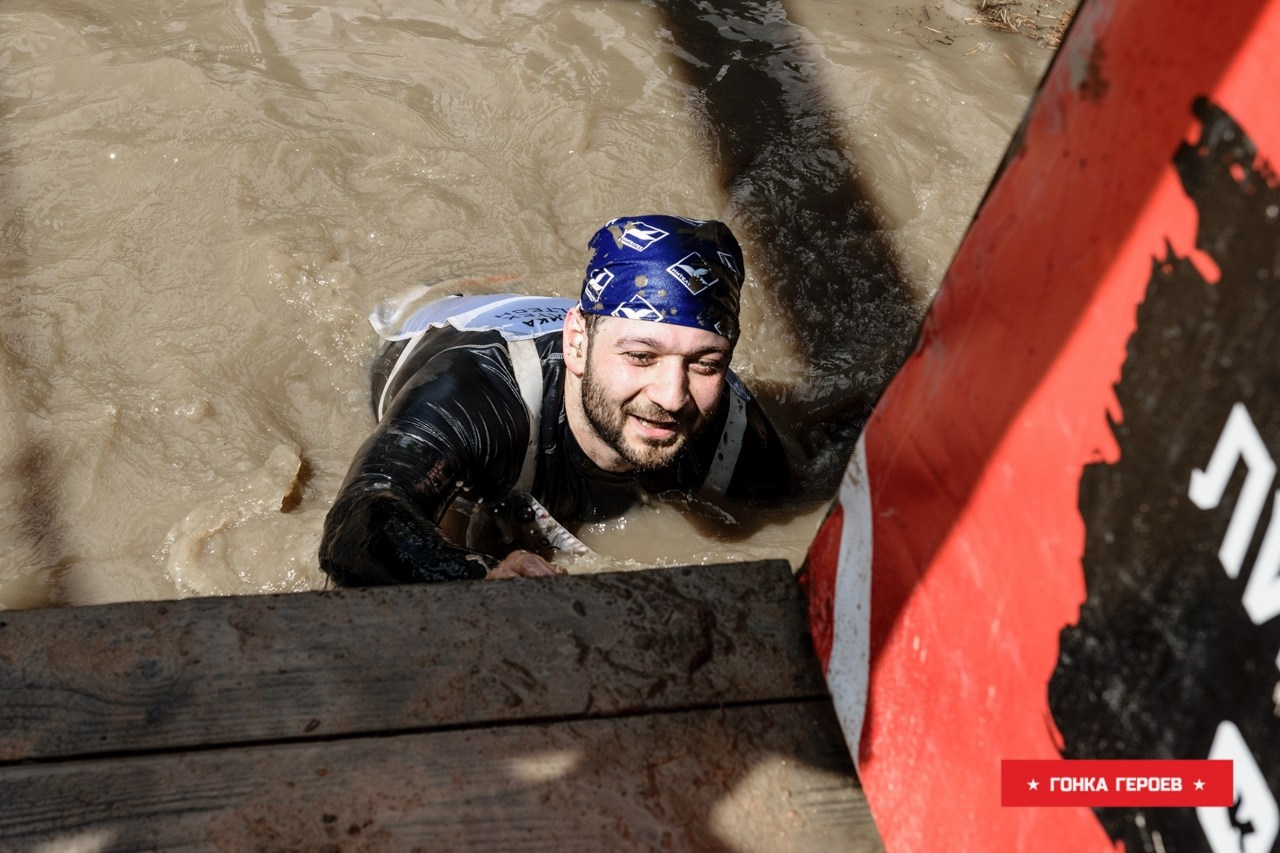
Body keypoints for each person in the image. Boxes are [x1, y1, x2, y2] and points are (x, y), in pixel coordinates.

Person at [319, 214, 791, 584]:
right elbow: (358, 520)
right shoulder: (475, 395)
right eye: (642, 357)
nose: (672, 397)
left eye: (704, 363)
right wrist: (474, 575)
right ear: (577, 345)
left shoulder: (733, 431)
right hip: (426, 323)